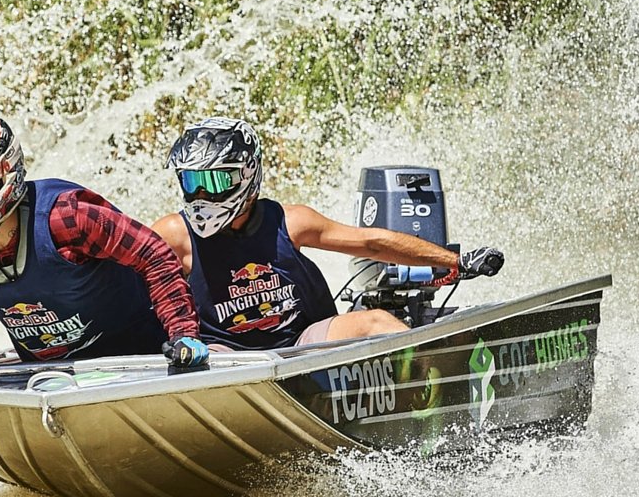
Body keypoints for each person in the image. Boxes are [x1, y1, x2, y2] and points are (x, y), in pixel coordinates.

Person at [151, 117, 504, 351]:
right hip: (225, 357)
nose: (200, 196)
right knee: (210, 360)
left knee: (378, 321)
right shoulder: (174, 233)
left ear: (247, 174)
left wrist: (457, 262)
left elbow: (371, 242)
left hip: (304, 349)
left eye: (213, 181)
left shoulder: (290, 222)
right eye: (191, 181)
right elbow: (121, 280)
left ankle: (434, 401)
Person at [0, 115, 209, 376]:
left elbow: (153, 254)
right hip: (52, 375)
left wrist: (183, 333)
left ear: (4, 172)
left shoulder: (68, 218)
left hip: (142, 357)